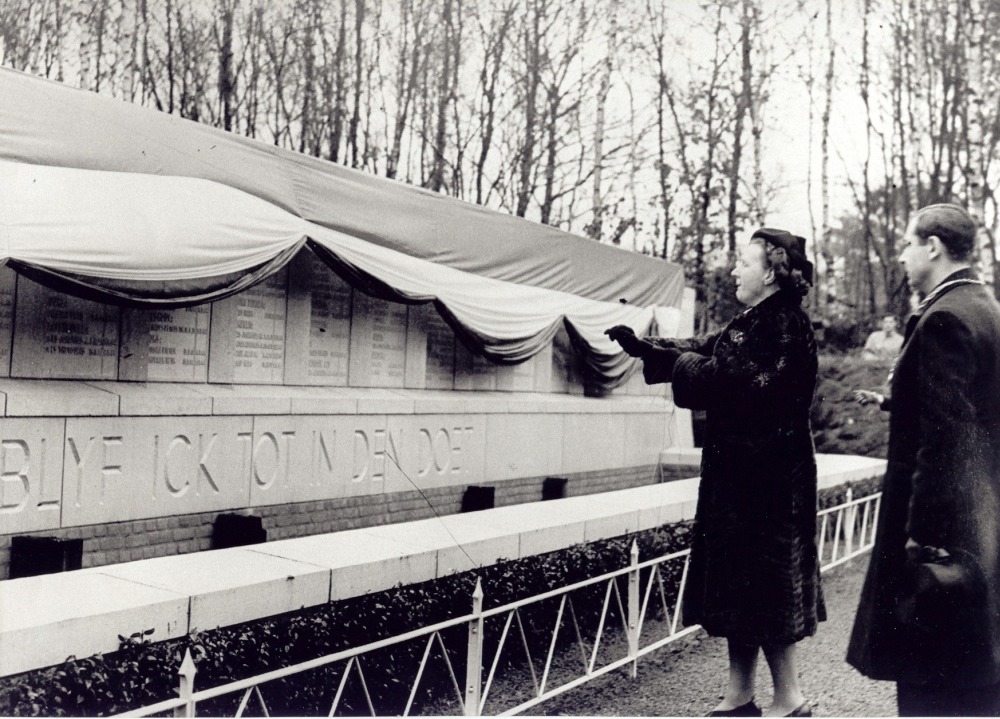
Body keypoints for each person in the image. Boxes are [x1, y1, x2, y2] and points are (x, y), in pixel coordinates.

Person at [607, 228, 823, 718]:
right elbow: (707, 346)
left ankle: (790, 702)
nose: (732, 271)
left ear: (770, 271)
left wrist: (676, 360)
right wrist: (645, 347)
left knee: (766, 590)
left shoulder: (785, 325)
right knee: (742, 589)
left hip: (768, 486)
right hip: (746, 481)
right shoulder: (755, 320)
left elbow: (732, 378)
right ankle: (739, 696)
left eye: (742, 263)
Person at [846, 203, 1000, 716]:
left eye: (909, 244)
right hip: (984, 526)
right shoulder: (986, 309)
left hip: (946, 537)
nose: (903, 255)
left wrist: (923, 536)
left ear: (933, 247)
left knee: (930, 683)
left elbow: (947, 439)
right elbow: (976, 407)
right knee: (975, 678)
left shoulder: (944, 319)